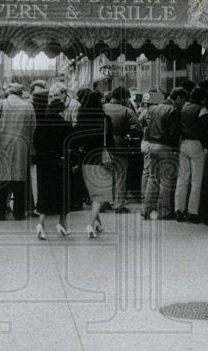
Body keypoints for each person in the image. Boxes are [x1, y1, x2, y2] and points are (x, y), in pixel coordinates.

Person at [0, 83, 36, 221]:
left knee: (2, 179)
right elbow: (33, 127)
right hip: (21, 146)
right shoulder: (28, 106)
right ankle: (19, 213)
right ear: (20, 93)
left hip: (3, 145)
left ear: (8, 93)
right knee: (19, 180)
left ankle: (0, 212)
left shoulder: (1, 104)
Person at [69, 90, 114, 239]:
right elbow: (111, 141)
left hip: (85, 160)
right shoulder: (105, 119)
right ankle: (90, 223)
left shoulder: (82, 120)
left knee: (94, 194)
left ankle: (98, 224)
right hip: (100, 160)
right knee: (99, 196)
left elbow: (73, 140)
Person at [33, 89, 74, 239]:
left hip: (44, 163)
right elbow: (70, 145)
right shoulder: (66, 126)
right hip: (59, 162)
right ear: (61, 110)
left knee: (44, 193)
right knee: (63, 194)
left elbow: (36, 143)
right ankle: (62, 224)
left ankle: (41, 224)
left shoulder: (41, 124)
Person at [142, 87, 187, 220]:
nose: (184, 103)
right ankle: (165, 211)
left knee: (152, 178)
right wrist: (175, 148)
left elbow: (148, 128)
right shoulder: (174, 110)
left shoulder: (156, 107)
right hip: (165, 146)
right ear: (178, 98)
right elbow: (173, 133)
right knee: (166, 180)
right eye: (183, 100)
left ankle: (147, 209)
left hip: (152, 146)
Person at [102, 86, 142, 213]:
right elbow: (137, 128)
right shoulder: (127, 111)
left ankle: (104, 203)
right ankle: (119, 205)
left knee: (106, 175)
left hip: (103, 146)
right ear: (124, 98)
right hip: (120, 146)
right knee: (120, 176)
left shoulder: (102, 108)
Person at [174, 86, 208, 223]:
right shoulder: (202, 110)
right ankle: (193, 212)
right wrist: (206, 147)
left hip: (183, 144)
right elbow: (204, 130)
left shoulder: (183, 107)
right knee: (196, 180)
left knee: (182, 178)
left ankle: (179, 209)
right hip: (196, 145)